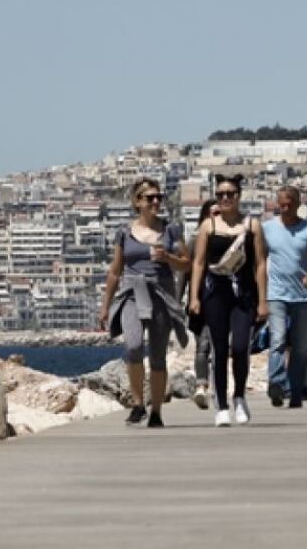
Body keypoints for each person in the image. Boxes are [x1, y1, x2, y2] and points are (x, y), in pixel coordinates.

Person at [99, 177, 190, 428]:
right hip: (132, 292)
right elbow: (115, 271)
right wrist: (106, 306)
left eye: (159, 197)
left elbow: (186, 263)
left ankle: (156, 411)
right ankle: (138, 404)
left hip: (161, 293)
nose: (156, 202)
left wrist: (168, 257)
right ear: (137, 201)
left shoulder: (171, 230)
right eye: (150, 198)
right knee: (134, 345)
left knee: (158, 355)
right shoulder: (124, 232)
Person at [189, 174, 267, 427]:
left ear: (238, 196)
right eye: (220, 194)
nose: (225, 198)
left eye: (230, 194)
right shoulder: (208, 226)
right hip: (215, 293)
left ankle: (239, 397)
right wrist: (194, 297)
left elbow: (260, 264)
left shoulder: (252, 226)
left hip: (244, 293)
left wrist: (263, 301)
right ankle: (221, 405)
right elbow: (198, 263)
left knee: (241, 347)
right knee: (219, 349)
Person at [262, 185, 307, 410]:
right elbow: (259, 260)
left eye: (289, 204)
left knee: (300, 347)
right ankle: (276, 384)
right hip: (276, 294)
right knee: (277, 339)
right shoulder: (267, 228)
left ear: (297, 204)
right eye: (281, 205)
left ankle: (296, 390)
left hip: (302, 297)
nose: (285, 208)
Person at [182, 199, 218, 409]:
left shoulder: (232, 240)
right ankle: (201, 386)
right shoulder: (194, 241)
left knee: (221, 346)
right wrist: (178, 300)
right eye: (213, 213)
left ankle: (218, 386)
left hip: (224, 300)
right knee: (203, 345)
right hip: (200, 301)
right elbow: (184, 273)